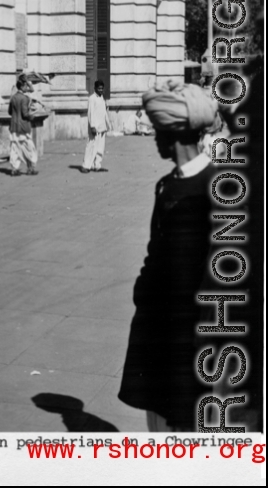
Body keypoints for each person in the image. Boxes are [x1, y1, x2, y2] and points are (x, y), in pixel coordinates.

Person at [118, 81, 219, 431]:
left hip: (194, 336)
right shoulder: (166, 185)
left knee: (189, 428)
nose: (153, 138)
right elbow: (154, 250)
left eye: (156, 130)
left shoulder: (219, 187)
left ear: (173, 133)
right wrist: (142, 293)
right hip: (155, 328)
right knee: (157, 423)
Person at [8, 77, 38, 176]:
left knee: (15, 148)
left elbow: (9, 112)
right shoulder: (24, 98)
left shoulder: (13, 97)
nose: (27, 87)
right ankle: (31, 168)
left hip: (14, 126)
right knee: (29, 147)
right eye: (25, 85)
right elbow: (25, 114)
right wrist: (32, 116)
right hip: (23, 126)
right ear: (22, 86)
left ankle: (14, 169)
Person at [80, 79, 112, 173]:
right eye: (99, 88)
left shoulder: (102, 98)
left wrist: (107, 125)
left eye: (102, 88)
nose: (101, 90)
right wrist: (92, 126)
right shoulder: (92, 98)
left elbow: (104, 113)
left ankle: (96, 165)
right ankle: (86, 166)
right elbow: (91, 113)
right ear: (95, 88)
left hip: (102, 127)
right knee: (91, 146)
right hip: (94, 128)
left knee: (100, 148)